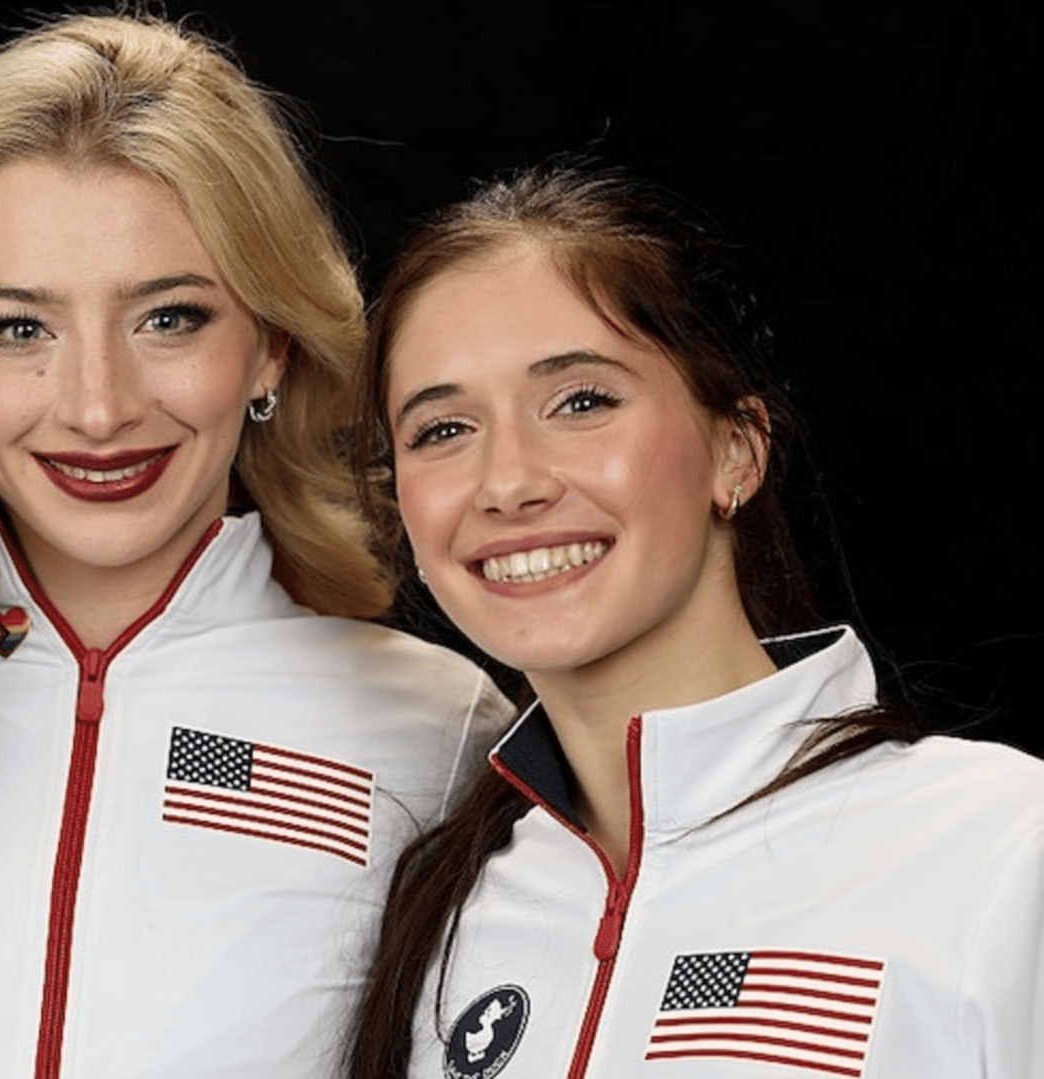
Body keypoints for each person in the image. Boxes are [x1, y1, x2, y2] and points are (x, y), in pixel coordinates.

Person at [0, 14, 510, 1079]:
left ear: (271, 345)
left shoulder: (442, 730)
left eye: (170, 318)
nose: (97, 408)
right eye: (17, 328)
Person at [347, 161, 1043, 1078]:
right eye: (443, 429)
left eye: (581, 402)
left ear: (738, 450)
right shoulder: (443, 905)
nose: (508, 482)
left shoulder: (1001, 846)